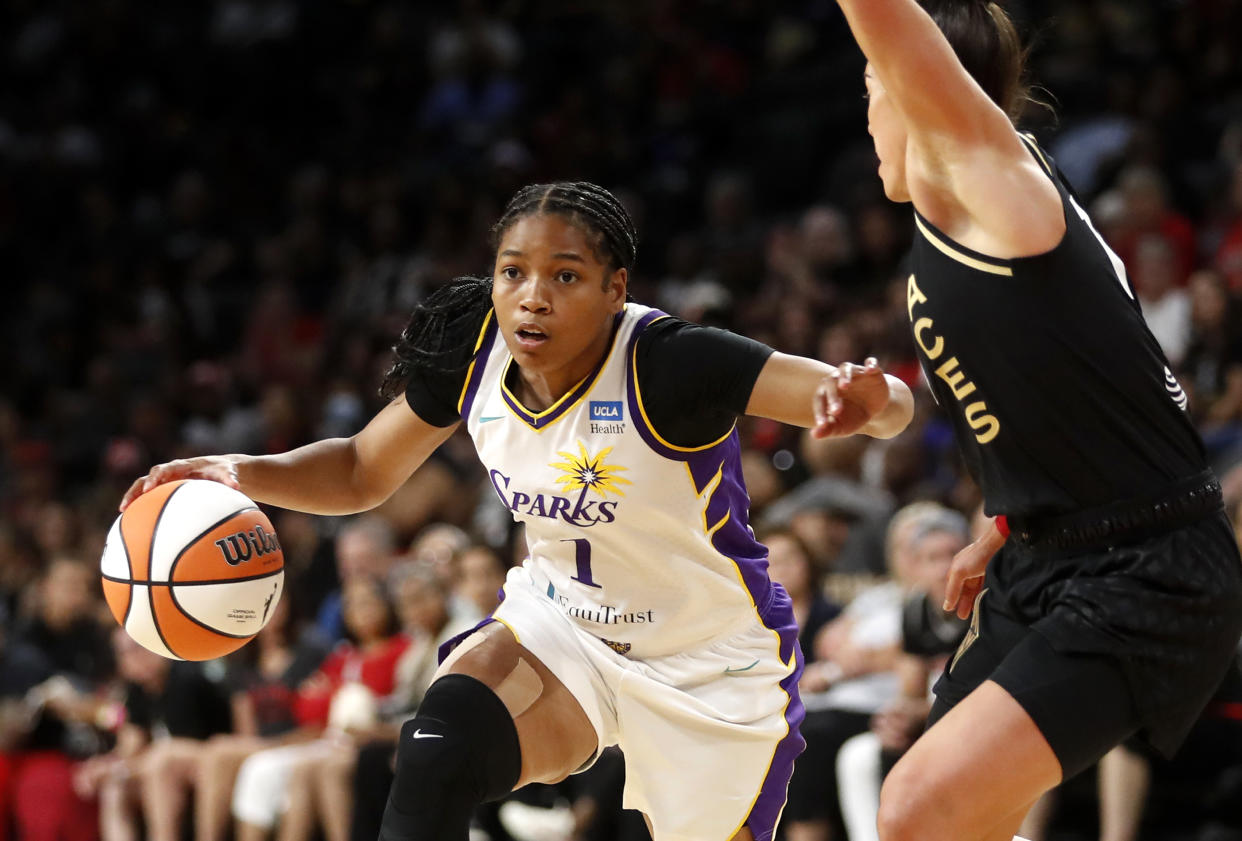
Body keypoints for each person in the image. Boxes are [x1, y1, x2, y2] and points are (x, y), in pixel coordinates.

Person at [121, 180, 914, 841]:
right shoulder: (474, 349)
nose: (531, 297)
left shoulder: (670, 362)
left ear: (615, 290)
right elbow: (363, 469)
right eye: (512, 272)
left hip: (709, 660)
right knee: (437, 746)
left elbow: (874, 402)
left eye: (565, 276)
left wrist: (872, 401)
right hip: (563, 624)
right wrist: (238, 470)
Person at [833, 2, 1242, 841]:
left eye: (873, 83)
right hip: (1048, 551)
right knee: (960, 823)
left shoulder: (991, 176)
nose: (866, 109)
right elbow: (1056, 397)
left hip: (1145, 567)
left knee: (916, 809)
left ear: (918, 90)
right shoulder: (956, 232)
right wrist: (1003, 517)